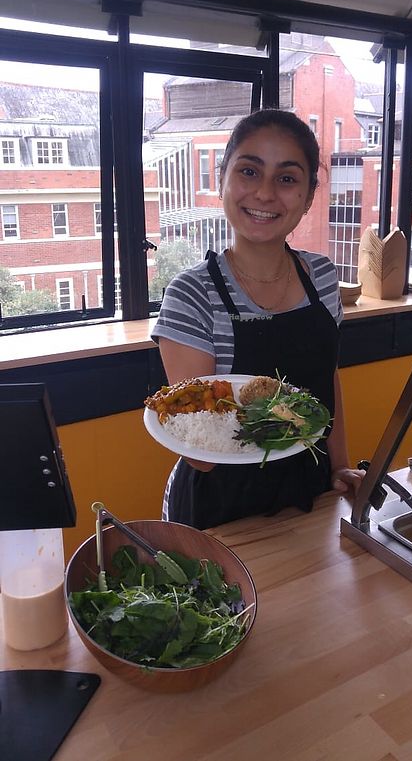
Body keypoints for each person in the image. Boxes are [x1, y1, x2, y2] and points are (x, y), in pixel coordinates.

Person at [152, 108, 363, 529]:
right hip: (221, 505)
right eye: (249, 171)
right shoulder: (192, 294)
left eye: (286, 178)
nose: (265, 193)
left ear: (308, 196)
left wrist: (340, 466)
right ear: (222, 180)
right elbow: (199, 450)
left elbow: (327, 378)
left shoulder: (321, 276)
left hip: (312, 488)